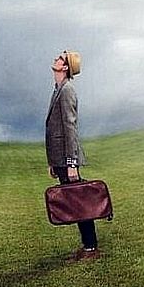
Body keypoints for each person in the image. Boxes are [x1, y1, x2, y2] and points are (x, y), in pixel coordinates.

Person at [45, 50, 100, 261]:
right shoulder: (57, 89)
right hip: (59, 158)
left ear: (65, 67)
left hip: (67, 159)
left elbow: (70, 127)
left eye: (60, 57)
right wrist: (53, 161)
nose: (56, 58)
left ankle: (90, 247)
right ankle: (88, 245)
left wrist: (71, 163)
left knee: (79, 201)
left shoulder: (67, 90)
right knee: (76, 200)